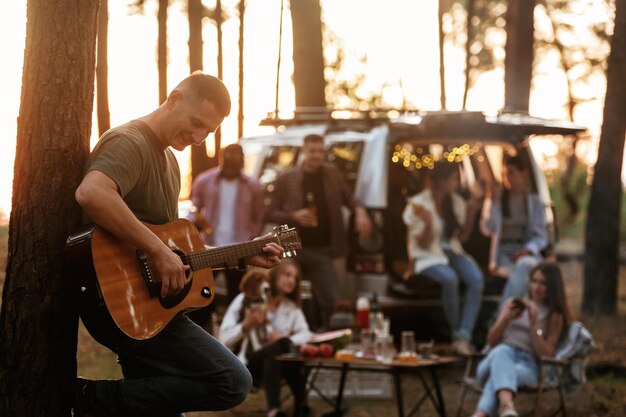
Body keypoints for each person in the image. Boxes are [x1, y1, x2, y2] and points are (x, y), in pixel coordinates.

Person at [73, 73, 284, 417]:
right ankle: (88, 399)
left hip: (150, 308)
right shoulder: (130, 141)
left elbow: (176, 256)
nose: (200, 138)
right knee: (232, 381)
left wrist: (243, 257)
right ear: (173, 100)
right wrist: (157, 251)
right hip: (118, 303)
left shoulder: (170, 160)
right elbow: (92, 193)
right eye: (196, 123)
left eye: (209, 131)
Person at [265, 134, 372, 329]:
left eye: (321, 151)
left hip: (321, 249)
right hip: (291, 249)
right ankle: (284, 336)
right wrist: (294, 216)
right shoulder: (287, 178)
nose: (317, 156)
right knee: (284, 295)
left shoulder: (333, 174)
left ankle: (329, 339)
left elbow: (350, 198)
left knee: (332, 301)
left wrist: (360, 211)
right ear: (304, 151)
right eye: (312, 151)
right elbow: (270, 212)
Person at [402, 161, 484, 355]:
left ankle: (464, 333)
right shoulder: (418, 204)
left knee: (476, 279)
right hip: (427, 255)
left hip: (452, 251)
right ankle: (457, 335)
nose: (458, 182)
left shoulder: (456, 202)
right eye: (455, 178)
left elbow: (461, 237)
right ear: (442, 181)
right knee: (450, 279)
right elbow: (421, 244)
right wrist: (429, 223)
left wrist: (471, 214)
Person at [471, 262, 573, 417]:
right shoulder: (512, 303)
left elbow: (547, 354)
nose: (537, 287)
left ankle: (481, 414)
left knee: (499, 376)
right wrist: (505, 319)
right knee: (502, 351)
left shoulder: (554, 315)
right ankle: (506, 407)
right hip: (494, 358)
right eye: (534, 281)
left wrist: (534, 326)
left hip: (526, 364)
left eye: (543, 283)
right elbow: (491, 341)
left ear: (552, 287)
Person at [219, 260, 312, 417]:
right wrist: (246, 326)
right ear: (274, 274)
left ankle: (299, 408)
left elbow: (306, 334)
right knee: (276, 349)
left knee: (284, 349)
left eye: (295, 278)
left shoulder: (291, 307)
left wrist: (284, 338)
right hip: (248, 363)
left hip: (279, 365)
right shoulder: (245, 300)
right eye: (287, 275)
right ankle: (279, 409)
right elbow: (223, 339)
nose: (292, 281)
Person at [189, 143, 264, 302]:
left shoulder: (253, 186)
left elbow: (258, 217)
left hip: (239, 250)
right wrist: (194, 221)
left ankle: (231, 325)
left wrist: (251, 237)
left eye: (236, 159)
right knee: (202, 295)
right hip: (209, 248)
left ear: (242, 161)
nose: (231, 164)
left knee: (236, 297)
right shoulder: (204, 180)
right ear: (222, 159)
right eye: (228, 159)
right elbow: (194, 208)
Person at [480, 155, 548, 311]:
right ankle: (510, 320)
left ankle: (500, 319)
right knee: (522, 276)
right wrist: (493, 203)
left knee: (526, 265)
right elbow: (487, 229)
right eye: (504, 174)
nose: (507, 178)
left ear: (522, 174)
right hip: (503, 255)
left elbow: (541, 235)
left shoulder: (533, 202)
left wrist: (528, 249)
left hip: (523, 252)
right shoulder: (498, 199)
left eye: (511, 173)